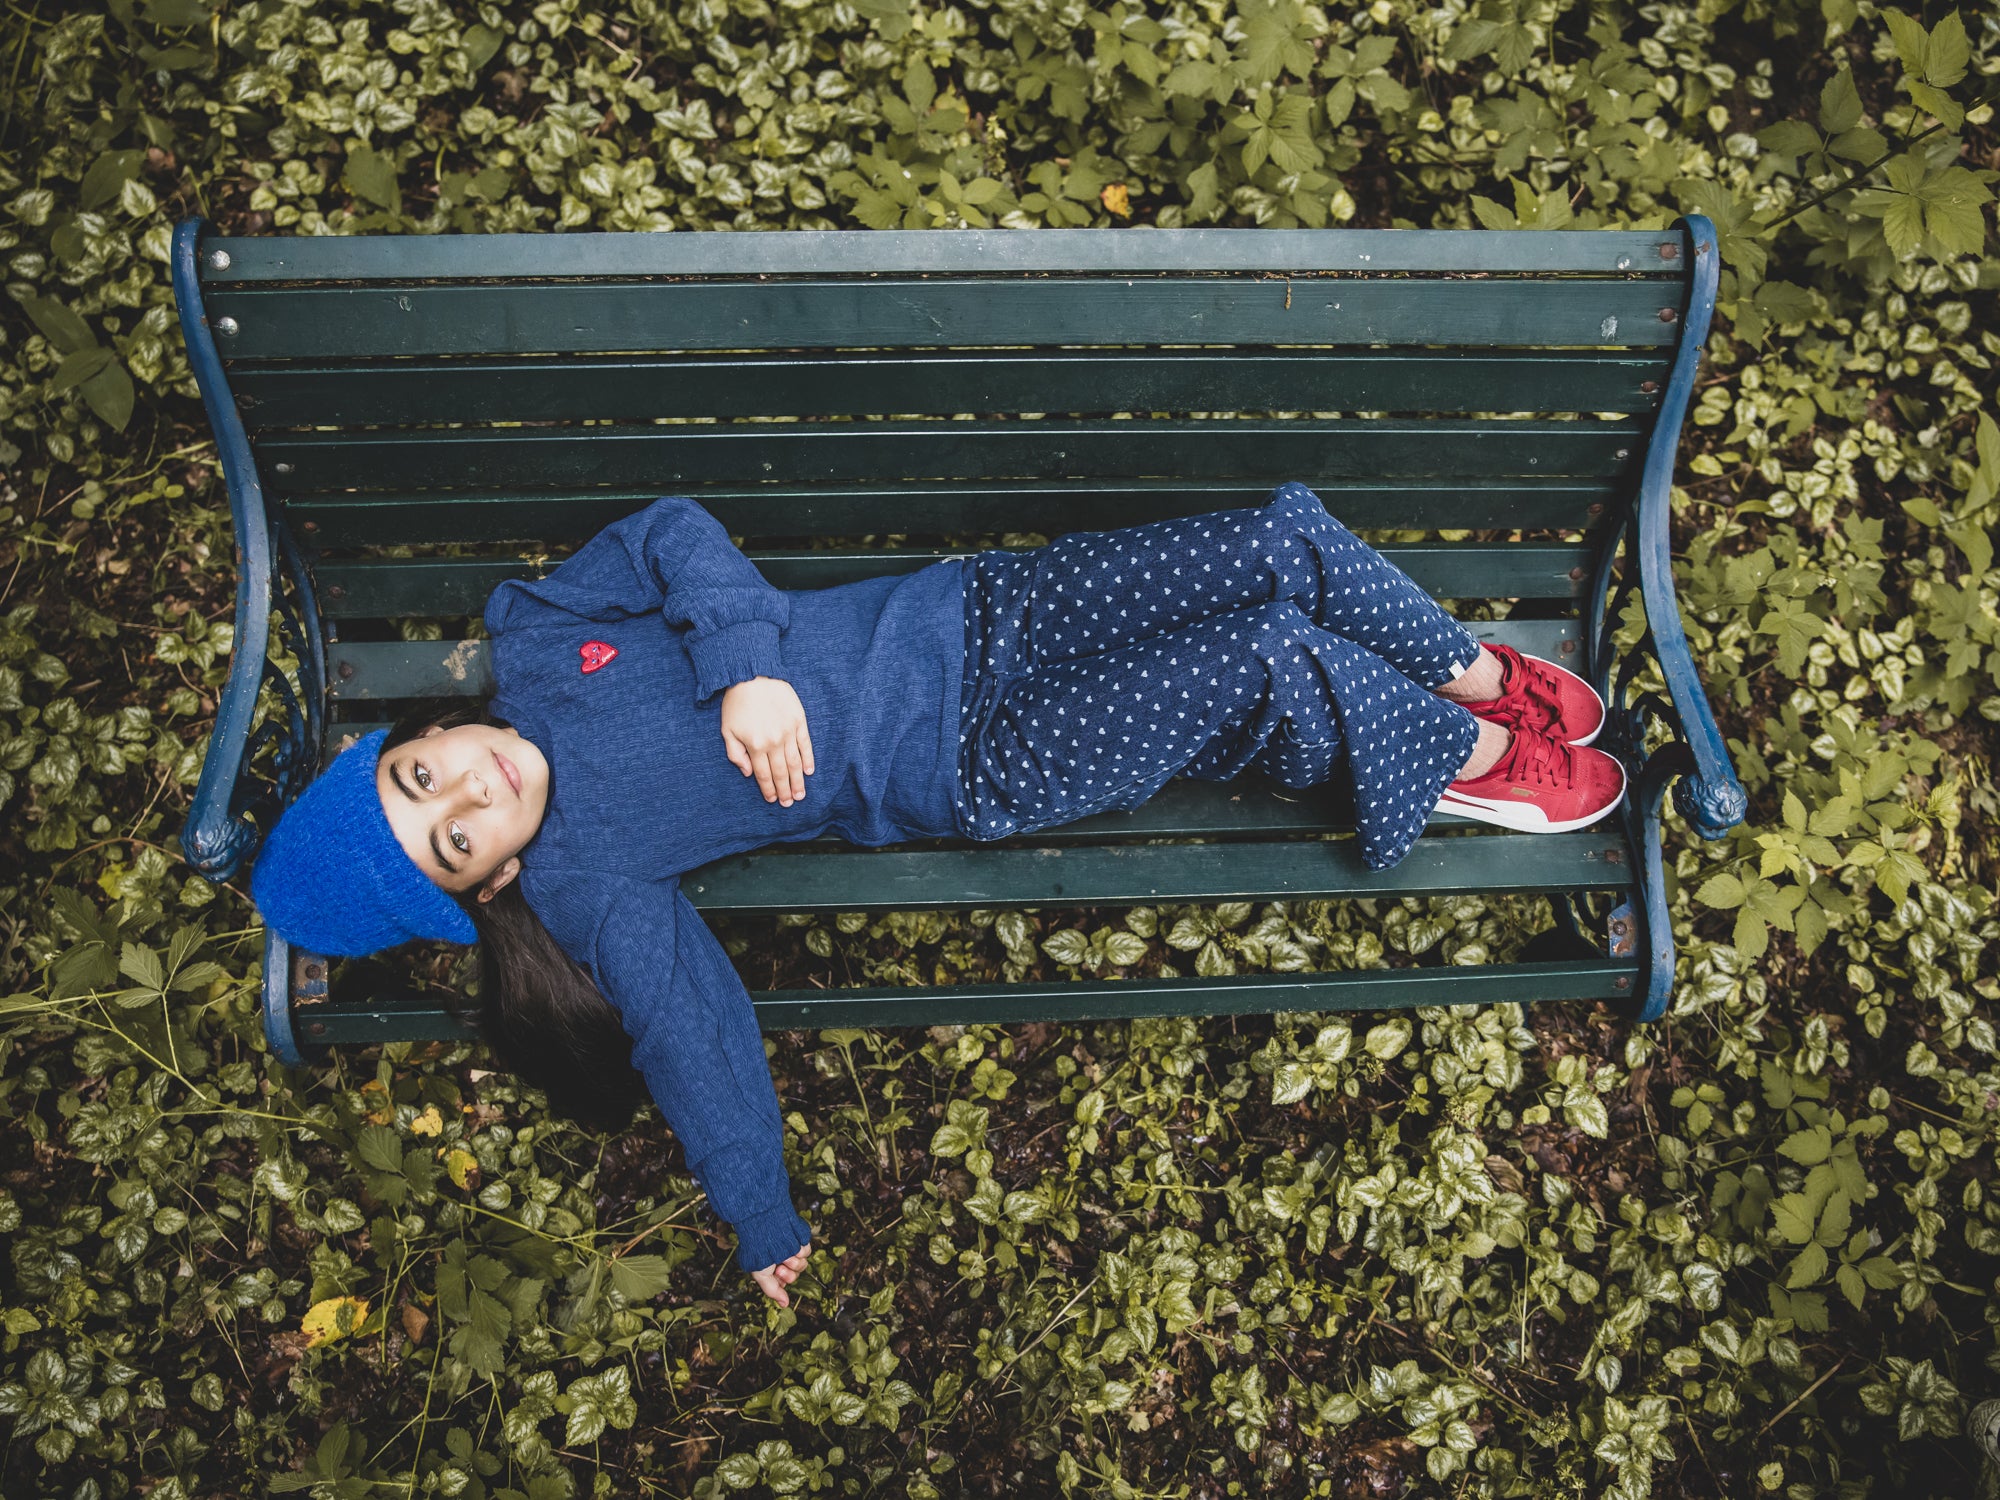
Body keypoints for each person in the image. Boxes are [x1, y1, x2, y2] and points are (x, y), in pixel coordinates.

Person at [246, 482, 1622, 1309]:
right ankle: (1486, 762)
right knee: (1258, 664)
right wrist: (758, 1211)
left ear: (418, 737)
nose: (471, 791)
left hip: (976, 609)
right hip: (976, 760)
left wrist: (745, 663)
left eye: (425, 773)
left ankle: (1473, 682)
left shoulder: (542, 641)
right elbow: (690, 1030)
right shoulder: (592, 886)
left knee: (1280, 543)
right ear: (481, 888)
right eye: (450, 837)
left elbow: (671, 532)